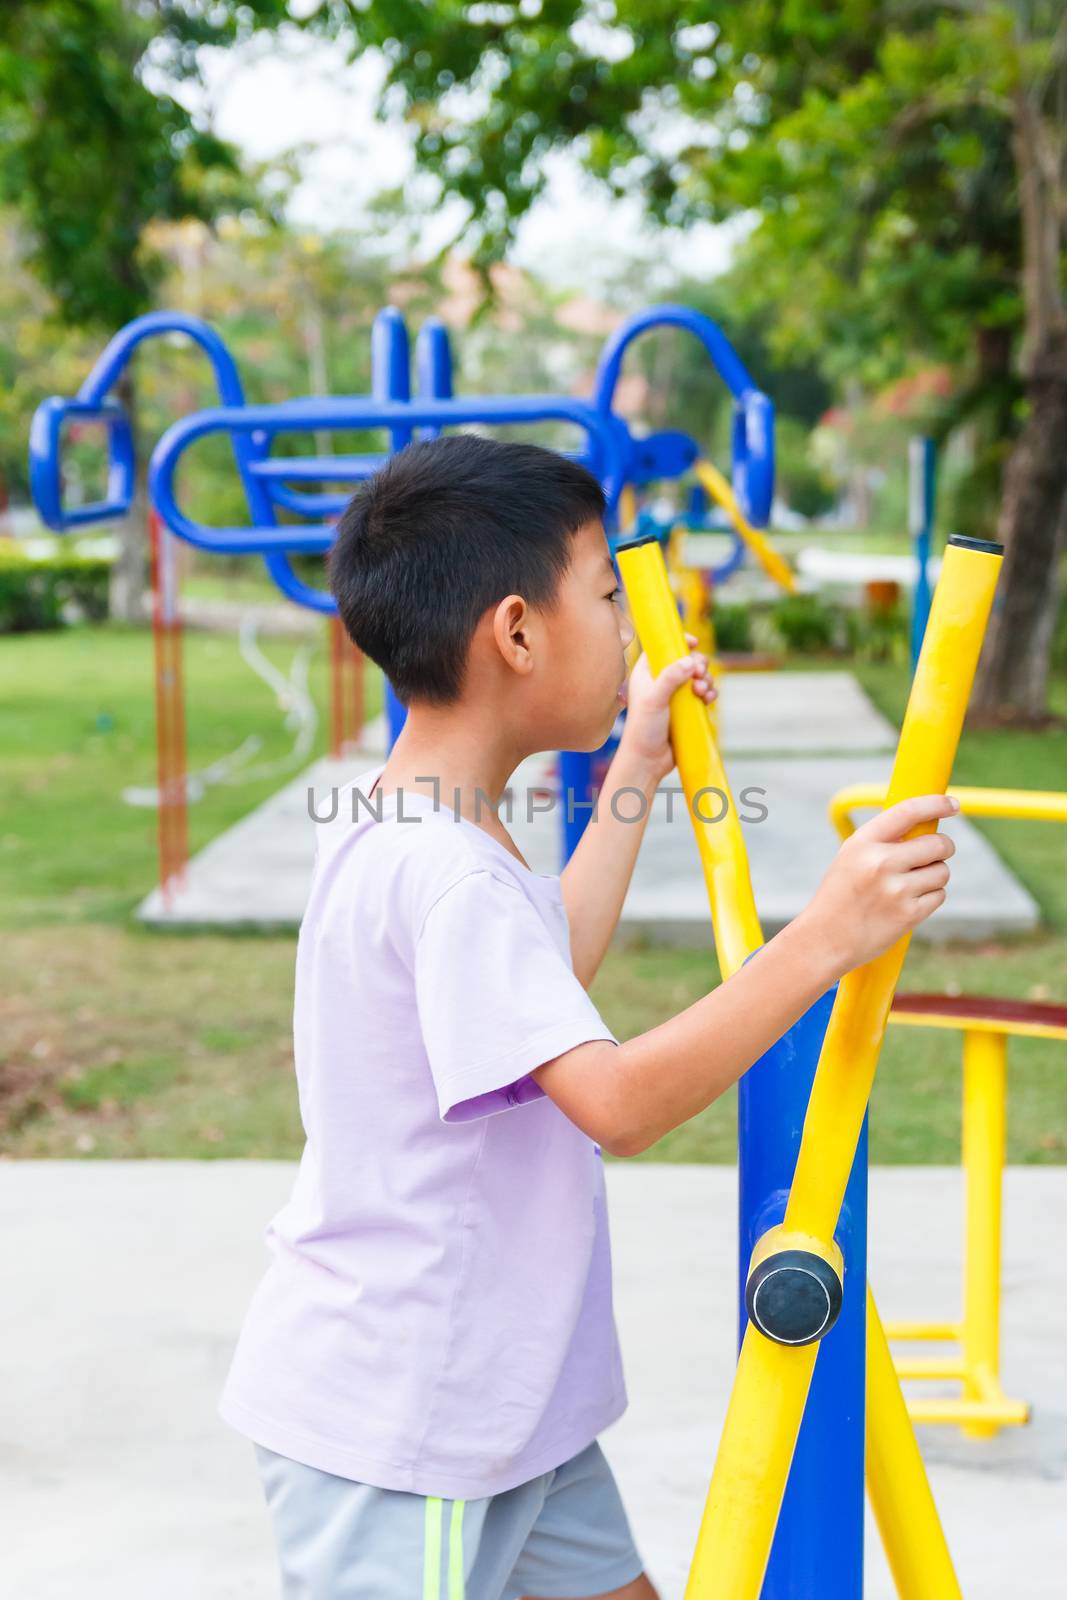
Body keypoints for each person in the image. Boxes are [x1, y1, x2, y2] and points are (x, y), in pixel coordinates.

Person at [219, 435, 957, 1600]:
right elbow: (611, 1103)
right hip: (412, 1427)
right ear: (516, 633)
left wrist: (633, 769)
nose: (626, 627)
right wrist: (822, 936)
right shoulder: (448, 870)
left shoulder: (417, 817)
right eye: (607, 595)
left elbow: (542, 964)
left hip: (511, 1406)